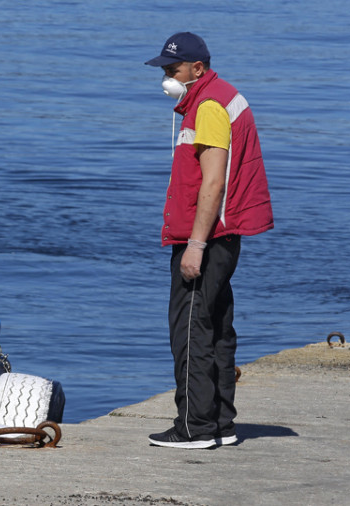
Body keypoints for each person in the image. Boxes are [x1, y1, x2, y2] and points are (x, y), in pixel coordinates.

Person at [143, 33, 273, 449]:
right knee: (217, 328)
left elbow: (213, 182)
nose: (166, 76)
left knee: (190, 331)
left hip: (207, 238)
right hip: (222, 236)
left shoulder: (210, 105)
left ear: (197, 69)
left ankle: (194, 427)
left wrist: (195, 245)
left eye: (172, 69)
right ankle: (220, 423)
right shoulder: (215, 97)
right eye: (164, 68)